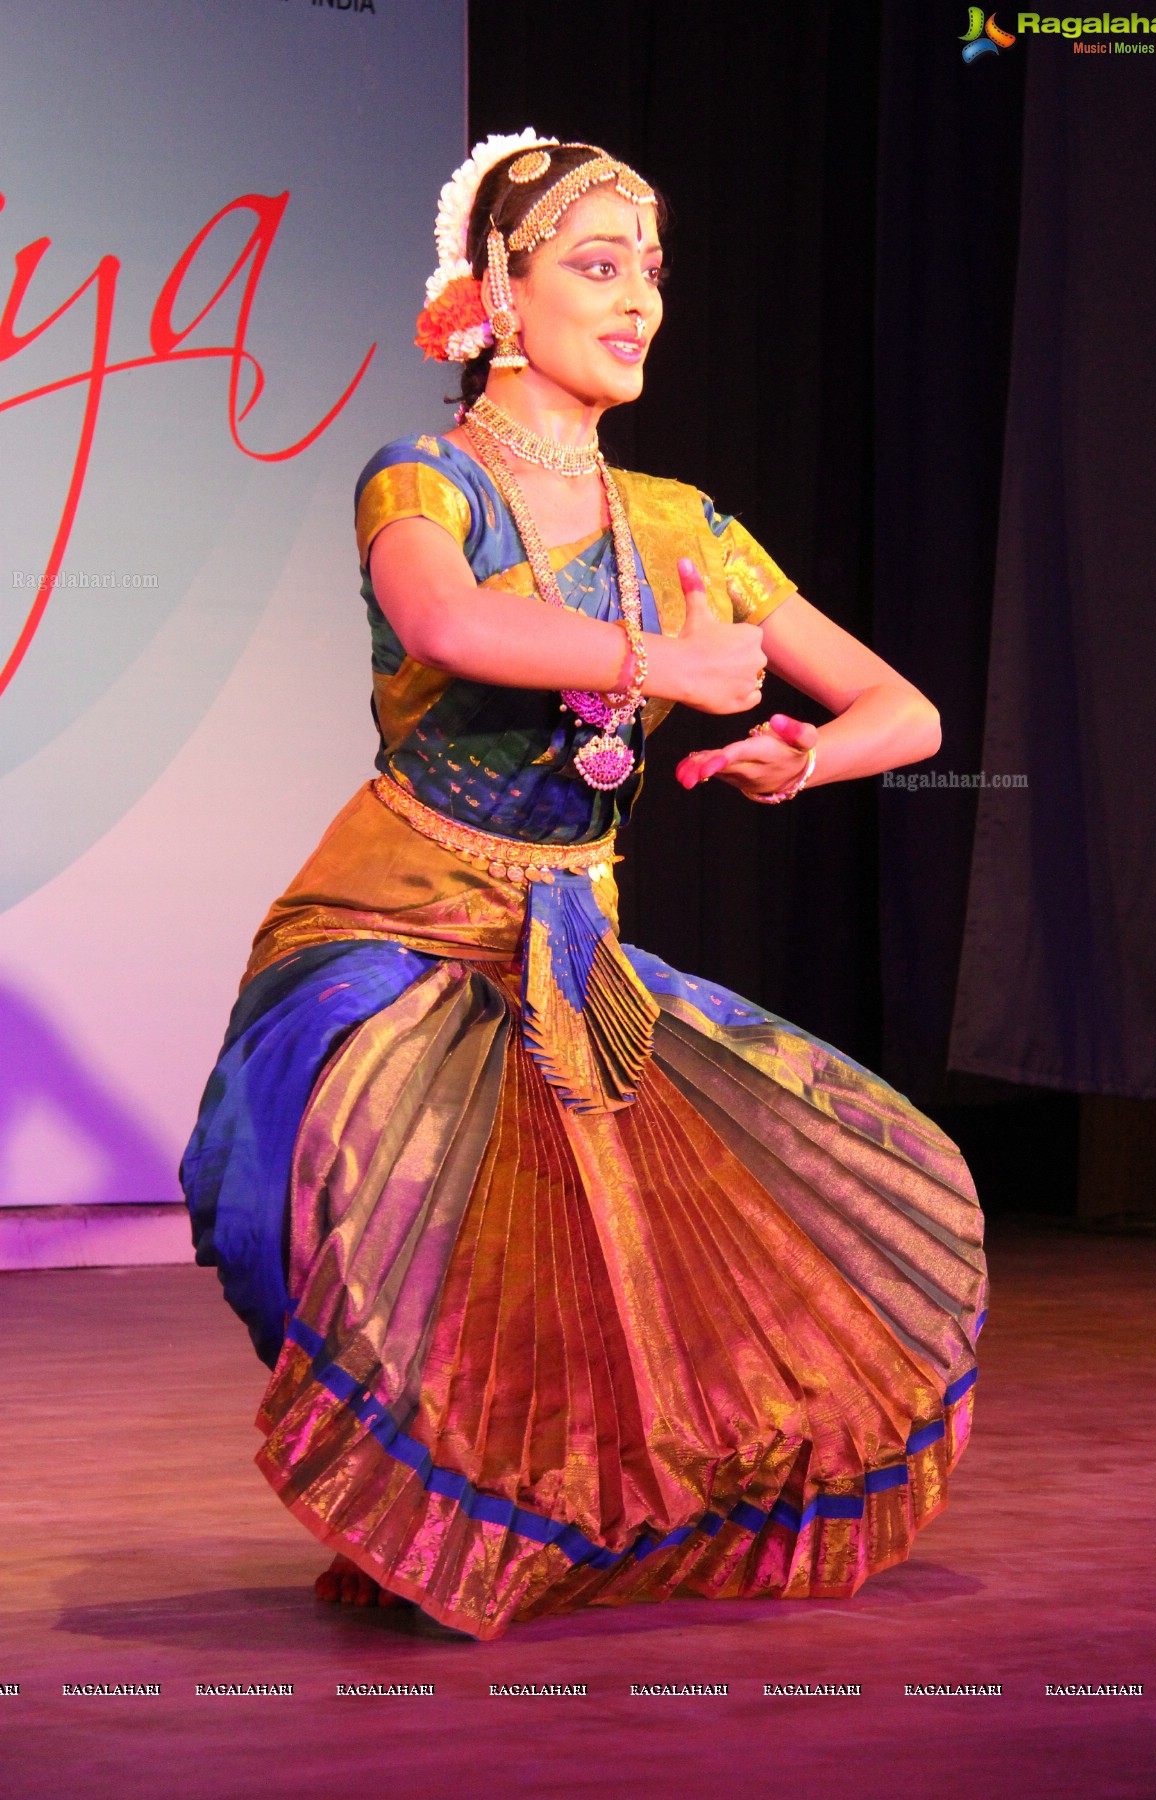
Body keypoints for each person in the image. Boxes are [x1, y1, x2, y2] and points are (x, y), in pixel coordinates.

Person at [182, 133, 987, 1643]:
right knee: (326, 1186)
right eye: (597, 269)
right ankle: (398, 1489)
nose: (639, 308)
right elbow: (448, 619)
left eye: (652, 277)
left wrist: (798, 761)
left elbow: (908, 712)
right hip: (390, 922)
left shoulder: (683, 523)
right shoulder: (427, 477)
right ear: (496, 287)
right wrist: (662, 666)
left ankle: (485, 1524)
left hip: (568, 939)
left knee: (590, 1251)